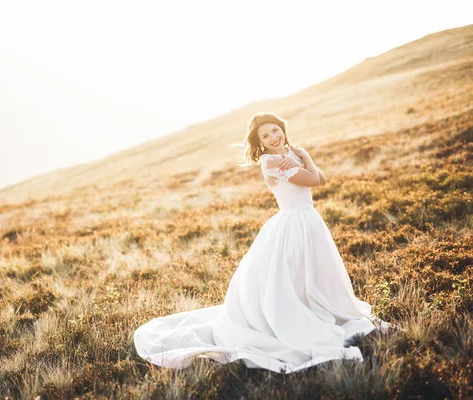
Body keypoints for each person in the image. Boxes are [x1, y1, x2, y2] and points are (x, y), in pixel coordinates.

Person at [133, 112, 393, 373]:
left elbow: (321, 180)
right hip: (293, 224)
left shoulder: (289, 156)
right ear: (260, 143)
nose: (273, 138)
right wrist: (307, 158)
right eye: (265, 136)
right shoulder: (271, 162)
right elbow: (313, 180)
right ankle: (296, 317)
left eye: (275, 130)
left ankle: (317, 307)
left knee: (314, 274)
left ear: (282, 129)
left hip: (309, 221)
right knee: (293, 275)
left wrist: (301, 157)